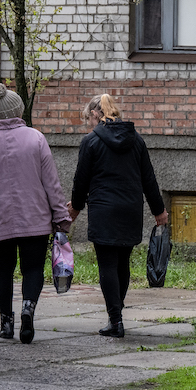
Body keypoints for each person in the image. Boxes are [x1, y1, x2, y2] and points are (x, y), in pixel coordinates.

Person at [0, 82, 70, 344]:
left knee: (2, 269)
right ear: (17, 111)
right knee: (33, 268)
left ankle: (6, 323)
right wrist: (60, 217)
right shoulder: (36, 138)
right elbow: (51, 184)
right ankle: (27, 308)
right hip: (35, 219)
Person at [68, 93, 168, 339]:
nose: (89, 124)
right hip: (130, 209)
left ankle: (116, 320)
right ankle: (117, 314)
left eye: (88, 119)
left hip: (104, 210)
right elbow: (149, 179)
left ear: (95, 114)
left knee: (107, 264)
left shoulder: (90, 142)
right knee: (122, 263)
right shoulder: (137, 140)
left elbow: (81, 180)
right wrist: (159, 210)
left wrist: (75, 208)